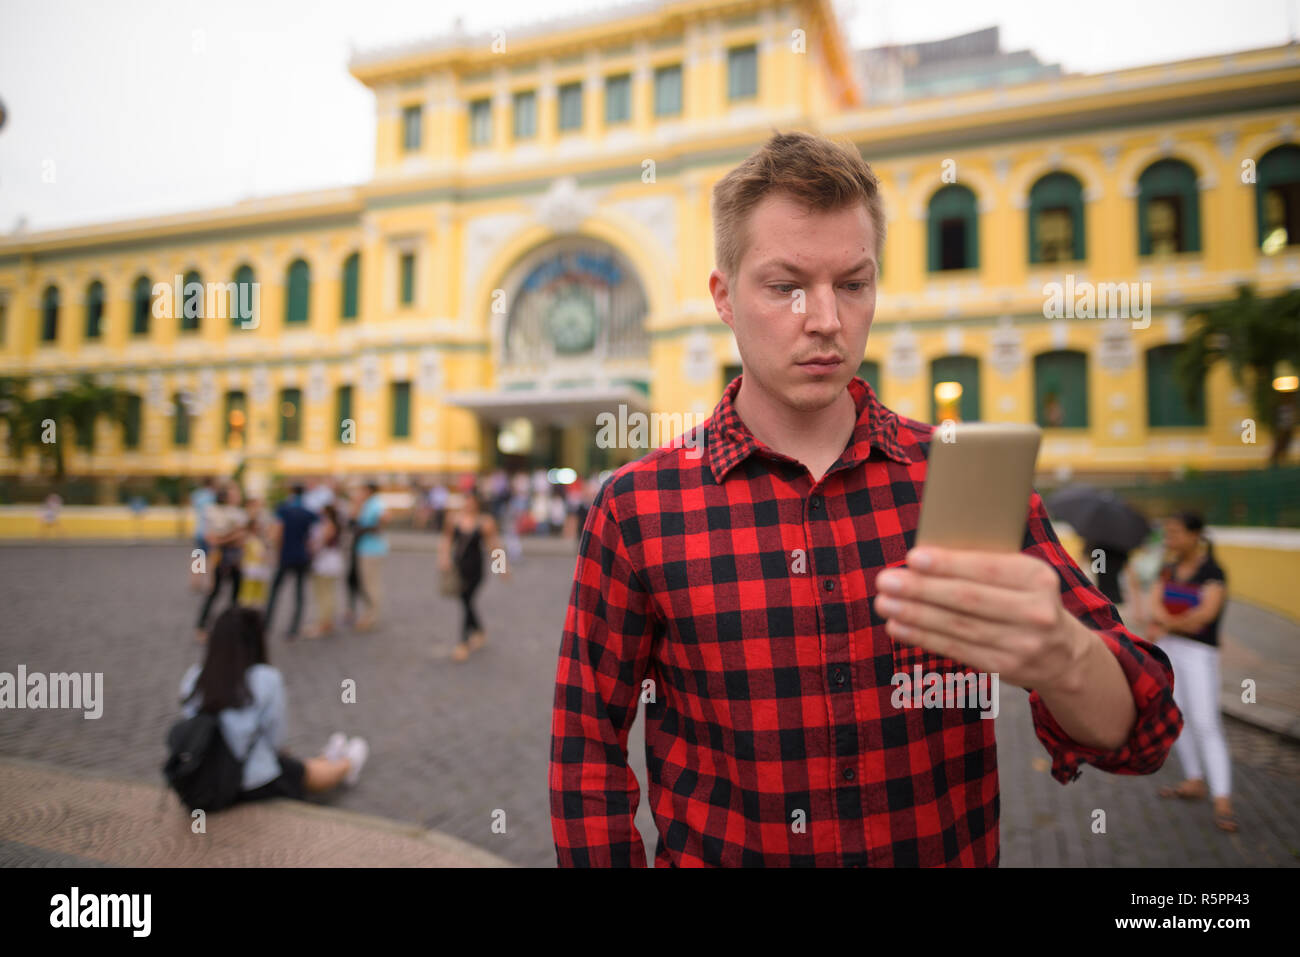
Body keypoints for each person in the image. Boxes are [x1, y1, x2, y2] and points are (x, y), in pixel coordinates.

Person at [548, 131, 1182, 867]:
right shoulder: (638, 506)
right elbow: (586, 747)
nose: (825, 319)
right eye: (786, 285)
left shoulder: (961, 480)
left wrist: (1064, 654)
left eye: (852, 283)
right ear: (723, 296)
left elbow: (1146, 731)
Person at [179, 606, 368, 803]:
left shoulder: (193, 676)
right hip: (248, 780)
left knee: (294, 765)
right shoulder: (265, 678)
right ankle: (347, 764)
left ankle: (330, 758)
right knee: (300, 771)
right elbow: (276, 740)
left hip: (203, 772)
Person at [1148, 512, 1236, 832]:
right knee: (1178, 715)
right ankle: (1194, 780)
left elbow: (1206, 615)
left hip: (1199, 654)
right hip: (1171, 649)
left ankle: (1223, 799)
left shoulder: (1213, 572)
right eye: (1167, 533)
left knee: (1205, 721)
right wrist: (1170, 623)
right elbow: (1154, 603)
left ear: (1195, 535)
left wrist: (1167, 624)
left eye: (1175, 533)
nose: (1170, 539)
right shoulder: (1168, 569)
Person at [440, 491, 507, 662]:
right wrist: (444, 558)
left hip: (476, 569)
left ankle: (463, 642)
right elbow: (446, 540)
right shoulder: (453, 519)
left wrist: (501, 568)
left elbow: (494, 545)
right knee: (466, 601)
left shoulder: (485, 522)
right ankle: (479, 631)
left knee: (467, 600)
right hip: (459, 568)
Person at [264, 485, 319, 640]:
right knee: (299, 593)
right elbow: (314, 536)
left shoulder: (284, 510)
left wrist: (274, 551)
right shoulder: (308, 512)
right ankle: (294, 628)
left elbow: (277, 533)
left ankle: (267, 624)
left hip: (285, 555)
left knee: (275, 591)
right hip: (302, 556)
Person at [195, 483, 247, 643]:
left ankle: (231, 627)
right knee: (214, 593)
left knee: (235, 595)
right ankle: (202, 627)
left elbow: (239, 538)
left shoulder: (238, 513)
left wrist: (223, 539)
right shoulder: (215, 512)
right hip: (221, 558)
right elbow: (212, 538)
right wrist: (230, 538)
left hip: (234, 558)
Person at [305, 504, 345, 639]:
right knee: (327, 592)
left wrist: (312, 548)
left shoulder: (328, 524)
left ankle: (324, 622)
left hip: (325, 561)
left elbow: (322, 541)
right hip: (329, 560)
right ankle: (327, 621)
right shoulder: (333, 523)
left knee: (324, 593)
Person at [352, 482, 387, 632]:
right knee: (367, 583)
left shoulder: (375, 503)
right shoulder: (369, 503)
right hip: (366, 548)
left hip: (372, 549)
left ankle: (372, 615)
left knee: (371, 584)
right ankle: (369, 613)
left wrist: (364, 529)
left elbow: (383, 520)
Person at [238, 498, 272, 605]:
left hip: (259, 566)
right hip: (251, 566)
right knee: (248, 589)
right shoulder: (248, 538)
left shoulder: (260, 537)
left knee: (258, 590)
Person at [190, 478, 217, 592]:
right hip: (210, 531)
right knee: (211, 558)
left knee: (198, 557)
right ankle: (211, 583)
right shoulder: (213, 496)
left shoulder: (197, 495)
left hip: (198, 531)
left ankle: (196, 581)